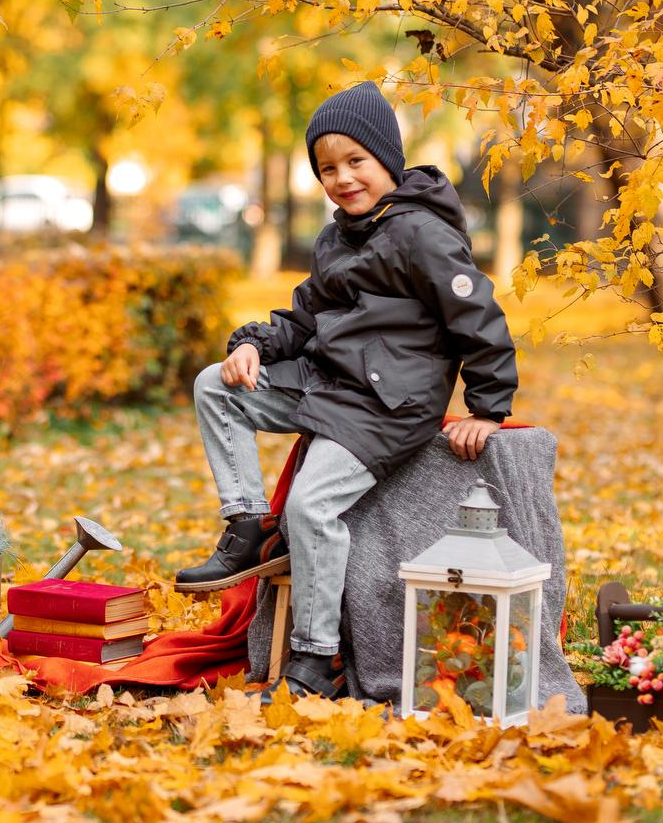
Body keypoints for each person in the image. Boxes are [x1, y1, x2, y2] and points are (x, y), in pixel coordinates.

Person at [173, 82, 518, 701]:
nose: (342, 178)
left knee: (311, 506)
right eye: (327, 168)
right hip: (329, 385)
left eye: (355, 161)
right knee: (215, 386)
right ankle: (248, 524)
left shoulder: (420, 234)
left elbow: (479, 318)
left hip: (387, 407)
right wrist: (254, 344)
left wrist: (487, 409)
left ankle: (316, 654)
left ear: (387, 157)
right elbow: (304, 317)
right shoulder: (337, 238)